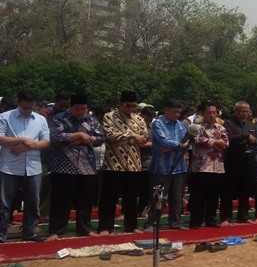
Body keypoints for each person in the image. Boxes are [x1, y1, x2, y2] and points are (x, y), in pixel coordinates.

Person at [47, 93, 106, 239]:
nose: (81, 112)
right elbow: (55, 137)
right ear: (71, 107)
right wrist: (77, 135)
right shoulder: (60, 118)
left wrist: (88, 138)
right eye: (78, 109)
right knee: (61, 200)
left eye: (84, 109)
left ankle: (85, 228)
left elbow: (101, 138)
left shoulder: (91, 120)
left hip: (87, 167)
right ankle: (56, 231)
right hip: (63, 166)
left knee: (85, 200)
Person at [0, 91, 51, 243]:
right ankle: (1, 234)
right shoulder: (5, 117)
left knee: (33, 202)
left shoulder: (40, 119)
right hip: (9, 166)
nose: (27, 110)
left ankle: (30, 232)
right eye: (24, 107)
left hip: (33, 166)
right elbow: (1, 139)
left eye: (30, 107)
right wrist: (21, 140)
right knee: (4, 203)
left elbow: (46, 142)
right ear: (18, 103)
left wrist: (28, 146)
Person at [98, 90, 149, 235]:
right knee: (109, 198)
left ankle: (131, 226)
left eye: (134, 106)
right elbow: (110, 135)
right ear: (121, 104)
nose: (132, 109)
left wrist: (124, 139)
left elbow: (144, 138)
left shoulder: (138, 119)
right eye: (129, 106)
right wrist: (133, 135)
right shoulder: (109, 117)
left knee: (132, 198)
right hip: (113, 163)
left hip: (133, 163)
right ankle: (105, 227)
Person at [146, 98, 189, 232]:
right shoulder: (158, 124)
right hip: (161, 167)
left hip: (179, 166)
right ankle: (152, 223)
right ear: (166, 110)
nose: (177, 115)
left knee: (176, 197)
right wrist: (178, 145)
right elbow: (164, 142)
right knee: (158, 197)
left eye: (179, 112)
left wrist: (175, 145)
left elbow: (186, 143)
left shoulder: (181, 125)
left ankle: (175, 222)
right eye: (174, 111)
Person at [188, 99, 228, 229]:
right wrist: (216, 142)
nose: (212, 115)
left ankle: (210, 219)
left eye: (214, 112)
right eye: (209, 112)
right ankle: (196, 221)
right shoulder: (197, 127)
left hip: (217, 167)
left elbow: (226, 142)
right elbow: (199, 140)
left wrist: (216, 142)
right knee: (198, 195)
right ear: (202, 113)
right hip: (201, 166)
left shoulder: (221, 127)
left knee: (213, 195)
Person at [223, 101, 257, 225]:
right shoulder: (228, 124)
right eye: (242, 111)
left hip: (249, 161)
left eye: (247, 111)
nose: (245, 114)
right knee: (229, 191)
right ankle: (226, 217)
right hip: (233, 161)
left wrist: (253, 139)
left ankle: (243, 216)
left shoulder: (252, 125)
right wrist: (244, 136)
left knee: (246, 190)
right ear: (236, 111)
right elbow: (227, 138)